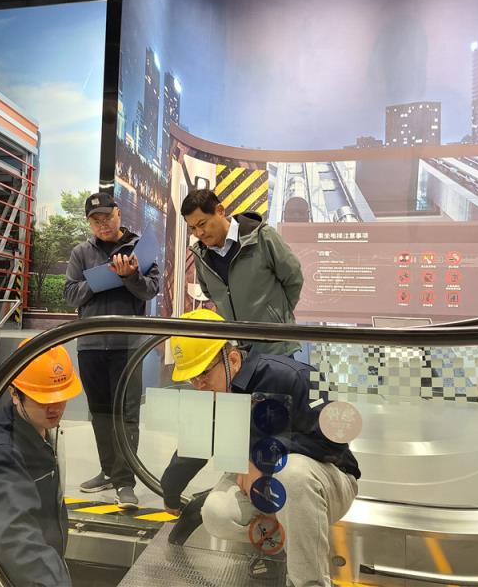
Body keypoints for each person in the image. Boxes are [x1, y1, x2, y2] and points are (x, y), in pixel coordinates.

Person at [161, 309, 360, 587]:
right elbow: (192, 448)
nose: (199, 385)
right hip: (265, 488)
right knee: (216, 512)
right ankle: (279, 550)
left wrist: (263, 459)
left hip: (325, 481)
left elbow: (334, 443)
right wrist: (170, 493)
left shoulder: (293, 376)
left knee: (292, 474)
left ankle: (308, 581)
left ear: (232, 359)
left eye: (203, 373)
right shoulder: (212, 393)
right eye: (192, 378)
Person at [0, 341, 82, 587]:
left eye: (61, 397)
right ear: (14, 393)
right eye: (43, 398)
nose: (55, 407)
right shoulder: (0, 452)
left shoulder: (38, 427)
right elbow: (15, 538)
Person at [64, 192, 160, 508]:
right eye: (95, 220)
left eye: (106, 217)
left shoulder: (140, 249)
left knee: (126, 415)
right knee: (100, 413)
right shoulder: (81, 253)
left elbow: (151, 290)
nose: (102, 224)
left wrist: (130, 276)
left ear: (118, 213)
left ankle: (125, 481)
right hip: (90, 345)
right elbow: (70, 295)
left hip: (128, 346)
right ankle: (108, 471)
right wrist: (101, 279)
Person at [180, 189, 303, 355]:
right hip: (236, 353)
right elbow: (211, 294)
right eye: (192, 228)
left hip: (276, 348)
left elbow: (293, 277)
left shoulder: (262, 237)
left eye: (202, 224)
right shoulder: (200, 255)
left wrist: (278, 316)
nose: (199, 233)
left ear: (220, 210)